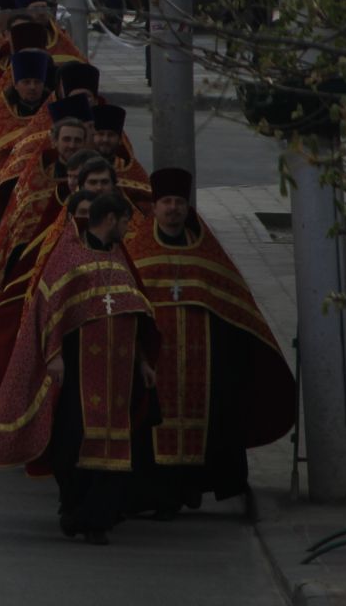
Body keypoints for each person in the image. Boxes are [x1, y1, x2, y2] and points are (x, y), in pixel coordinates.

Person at [0, 190, 159, 544]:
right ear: (110, 219)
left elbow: (134, 312)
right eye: (125, 221)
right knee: (72, 444)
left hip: (118, 374)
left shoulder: (120, 256)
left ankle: (97, 520)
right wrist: (54, 355)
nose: (128, 229)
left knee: (117, 447)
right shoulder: (68, 256)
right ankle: (76, 509)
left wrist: (144, 361)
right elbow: (50, 310)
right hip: (78, 372)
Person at [122, 168, 296, 516]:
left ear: (188, 207)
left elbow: (235, 306)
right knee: (152, 426)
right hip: (155, 365)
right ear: (154, 207)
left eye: (179, 203)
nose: (172, 209)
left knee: (210, 422)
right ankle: (158, 496)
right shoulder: (137, 251)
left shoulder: (207, 254)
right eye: (166, 202)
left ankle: (194, 488)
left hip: (202, 364)